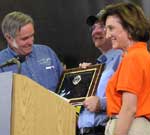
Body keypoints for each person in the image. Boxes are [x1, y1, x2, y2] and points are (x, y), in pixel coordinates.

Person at [99, 2, 150, 135]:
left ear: (129, 28)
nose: (108, 35)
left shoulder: (133, 58)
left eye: (111, 28)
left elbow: (129, 108)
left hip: (131, 127)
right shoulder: (142, 55)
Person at [77, 9, 122, 135]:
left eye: (102, 27)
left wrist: (101, 103)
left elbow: (132, 100)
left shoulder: (123, 59)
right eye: (93, 27)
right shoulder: (98, 66)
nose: (95, 31)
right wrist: (83, 77)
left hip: (105, 130)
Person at [0, 11, 63, 91]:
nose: (31, 42)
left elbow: (64, 84)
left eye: (32, 35)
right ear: (9, 38)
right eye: (25, 38)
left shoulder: (46, 52)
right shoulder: (2, 64)